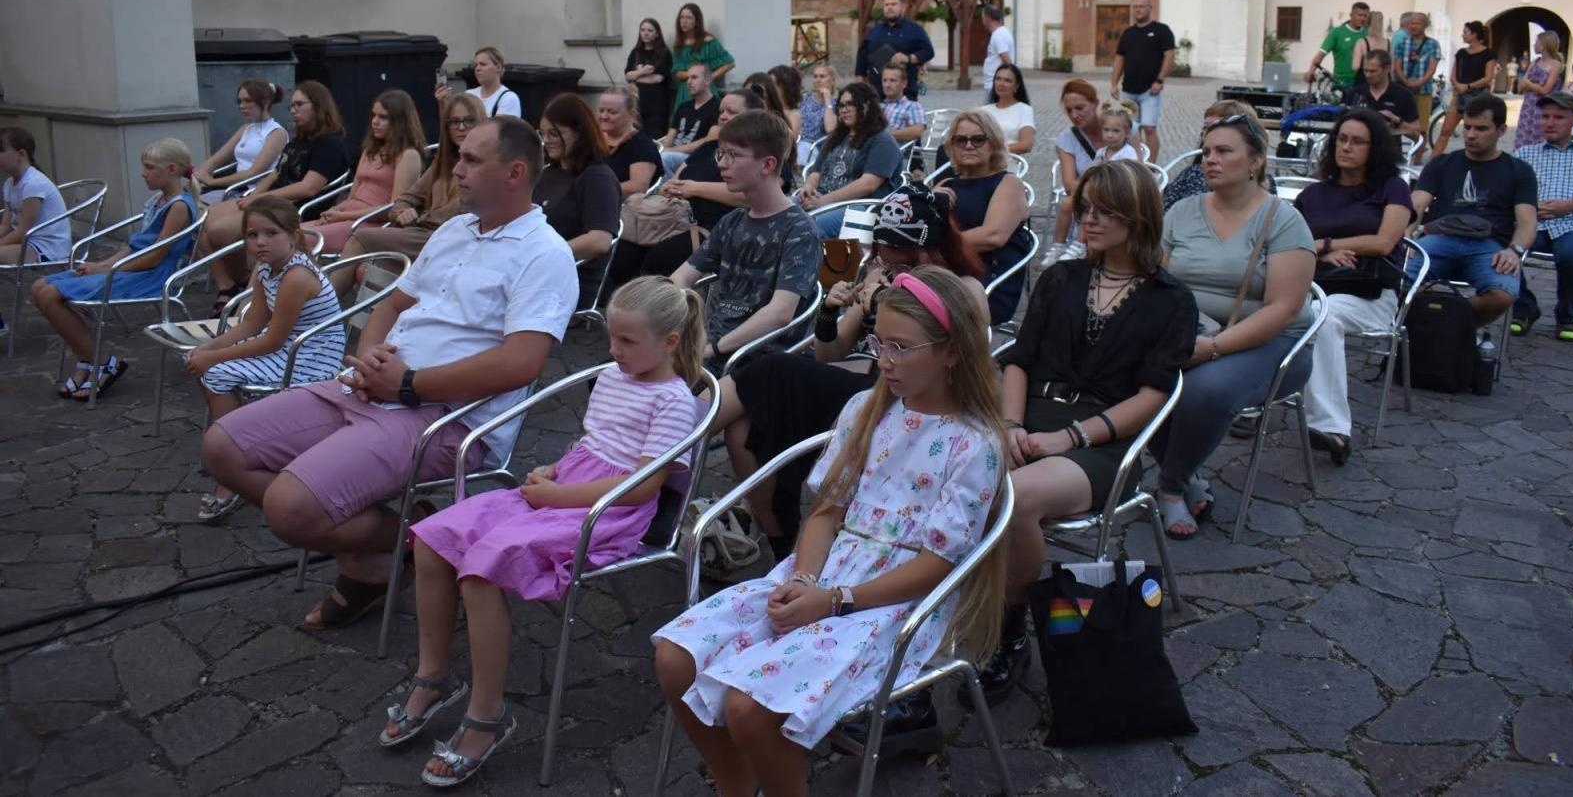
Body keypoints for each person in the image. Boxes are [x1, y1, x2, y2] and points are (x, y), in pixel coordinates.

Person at [200, 117, 579, 629]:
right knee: (223, 447)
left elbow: (521, 363)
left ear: (513, 172)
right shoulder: (454, 229)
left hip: (448, 419)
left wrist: (405, 384)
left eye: (470, 159)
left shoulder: (545, 253)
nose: (455, 168)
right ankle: (406, 538)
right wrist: (371, 356)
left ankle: (401, 547)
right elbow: (393, 303)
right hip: (373, 387)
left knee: (290, 510)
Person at [654, 267, 1007, 794]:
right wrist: (807, 580)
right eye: (878, 342)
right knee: (674, 657)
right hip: (826, 572)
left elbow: (938, 564)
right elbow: (824, 511)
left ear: (952, 352)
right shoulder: (866, 409)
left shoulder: (974, 444)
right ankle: (737, 783)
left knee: (748, 707)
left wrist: (835, 600)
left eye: (902, 347)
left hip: (900, 601)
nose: (884, 360)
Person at [383, 276, 705, 786]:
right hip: (571, 489)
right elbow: (593, 444)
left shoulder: (673, 401)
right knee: (432, 539)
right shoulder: (615, 377)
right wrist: (554, 470)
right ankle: (434, 675)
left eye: (627, 341)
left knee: (482, 568)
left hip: (608, 512)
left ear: (669, 343)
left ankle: (487, 716)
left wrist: (557, 495)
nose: (613, 351)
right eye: (612, 339)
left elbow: (642, 487)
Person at [981, 160, 1196, 702]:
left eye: (1104, 210)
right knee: (947, 470)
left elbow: (1151, 396)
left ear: (1138, 215)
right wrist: (1009, 423)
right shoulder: (1062, 278)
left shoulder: (1170, 299)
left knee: (1014, 496)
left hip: (1103, 443)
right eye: (1084, 208)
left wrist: (1071, 437)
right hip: (1027, 420)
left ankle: (1009, 631)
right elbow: (1019, 360)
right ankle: (946, 605)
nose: (1087, 219)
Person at [714, 186, 988, 557]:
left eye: (901, 256)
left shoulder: (964, 289)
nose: (888, 261)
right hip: (849, 382)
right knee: (742, 428)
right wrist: (830, 311)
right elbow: (830, 353)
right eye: (882, 250)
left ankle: (675, 443)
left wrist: (885, 300)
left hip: (902, 396)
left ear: (931, 250)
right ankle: (781, 538)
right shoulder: (881, 273)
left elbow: (968, 358)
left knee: (768, 368)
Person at [1155, 113, 1316, 539]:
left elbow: (1282, 308)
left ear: (1255, 162)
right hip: (1193, 329)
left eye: (1224, 151)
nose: (1210, 160)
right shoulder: (1182, 211)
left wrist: (1214, 347)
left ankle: (1169, 487)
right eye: (1207, 151)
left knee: (1206, 389)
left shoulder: (1282, 219)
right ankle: (1187, 474)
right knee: (1122, 369)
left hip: (1275, 344)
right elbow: (1158, 281)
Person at [186, 197, 344, 522]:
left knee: (214, 374)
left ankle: (230, 473)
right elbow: (251, 323)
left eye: (271, 233)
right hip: (286, 347)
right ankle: (240, 449)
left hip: (310, 357)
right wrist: (208, 349)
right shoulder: (265, 268)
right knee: (209, 369)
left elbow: (271, 339)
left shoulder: (297, 276)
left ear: (294, 236)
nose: (260, 242)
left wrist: (213, 358)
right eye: (252, 235)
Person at [32, 137, 200, 401]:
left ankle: (100, 362)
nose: (143, 173)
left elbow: (154, 257)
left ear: (173, 170)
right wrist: (102, 265)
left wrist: (107, 271)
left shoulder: (178, 206)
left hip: (150, 277)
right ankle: (87, 361)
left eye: (150, 167)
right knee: (39, 286)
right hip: (132, 268)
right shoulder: (159, 200)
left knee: (49, 294)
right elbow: (135, 247)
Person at [1294, 110, 1414, 464]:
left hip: (1372, 294)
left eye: (1357, 141)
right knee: (1273, 309)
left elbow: (1384, 242)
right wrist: (1325, 250)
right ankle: (1251, 407)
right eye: (1341, 139)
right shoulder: (1314, 193)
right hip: (1313, 286)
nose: (1346, 147)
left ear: (1374, 148)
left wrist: (1324, 243)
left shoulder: (1393, 188)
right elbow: (1292, 243)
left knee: (1321, 317)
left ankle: (1333, 429)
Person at [672, 110, 820, 370]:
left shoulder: (799, 229)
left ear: (767, 165)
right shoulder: (732, 221)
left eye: (733, 155)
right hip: (712, 348)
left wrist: (710, 349)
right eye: (721, 153)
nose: (721, 163)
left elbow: (780, 313)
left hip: (756, 359)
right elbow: (680, 278)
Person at [199, 80, 348, 310]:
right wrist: (254, 195)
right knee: (202, 219)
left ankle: (242, 286)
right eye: (291, 106)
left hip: (295, 209)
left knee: (218, 230)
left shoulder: (330, 144)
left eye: (299, 104)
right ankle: (229, 285)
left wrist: (261, 200)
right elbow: (276, 174)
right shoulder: (300, 139)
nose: (293, 110)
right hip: (271, 202)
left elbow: (307, 188)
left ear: (318, 106)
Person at [610, 90, 764, 285]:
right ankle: (615, 307)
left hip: (717, 225)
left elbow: (751, 196)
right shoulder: (709, 147)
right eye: (721, 111)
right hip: (675, 216)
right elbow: (678, 176)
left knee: (658, 257)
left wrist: (695, 188)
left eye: (731, 112)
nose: (723, 116)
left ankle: (656, 309)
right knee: (623, 247)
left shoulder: (760, 151)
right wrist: (670, 187)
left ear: (753, 115)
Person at [1409, 93, 1538, 325]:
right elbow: (1416, 204)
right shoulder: (1442, 163)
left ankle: (1449, 326)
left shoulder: (1519, 170)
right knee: (1396, 283)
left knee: (1502, 295)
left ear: (1501, 130)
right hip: (1440, 238)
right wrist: (1406, 234)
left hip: (1490, 246)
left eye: (1481, 128)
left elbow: (1527, 221)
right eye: (1467, 127)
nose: (1470, 135)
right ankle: (1432, 330)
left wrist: (1514, 250)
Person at [337, 93, 484, 281]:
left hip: (451, 239)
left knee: (360, 237)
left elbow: (464, 207)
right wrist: (402, 211)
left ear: (480, 123)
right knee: (366, 270)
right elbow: (406, 198)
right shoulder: (443, 161)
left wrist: (420, 217)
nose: (461, 128)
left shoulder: (484, 164)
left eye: (468, 121)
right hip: (422, 234)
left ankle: (325, 308)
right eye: (454, 122)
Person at [1511, 91, 1573, 341]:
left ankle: (1567, 315)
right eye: (1545, 116)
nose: (1549, 122)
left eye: (1558, 117)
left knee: (1572, 254)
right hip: (1533, 224)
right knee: (1500, 247)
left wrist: (1569, 206)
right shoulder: (1525, 154)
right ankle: (1525, 308)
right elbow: (1507, 191)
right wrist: (1527, 207)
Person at [935, 109, 1030, 324]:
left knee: (913, 306)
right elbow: (923, 229)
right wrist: (930, 200)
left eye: (978, 139)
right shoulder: (945, 186)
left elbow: (992, 236)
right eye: (961, 140)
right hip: (945, 275)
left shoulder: (1008, 183)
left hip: (987, 284)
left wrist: (936, 245)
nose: (969, 145)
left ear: (993, 143)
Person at [304, 90, 427, 254]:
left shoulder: (408, 155)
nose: (375, 122)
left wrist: (343, 216)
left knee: (299, 239)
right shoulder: (371, 149)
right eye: (373, 116)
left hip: (369, 224)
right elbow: (353, 195)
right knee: (288, 233)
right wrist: (336, 210)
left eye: (383, 117)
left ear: (400, 121)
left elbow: (394, 210)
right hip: (349, 216)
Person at [533, 93, 624, 305]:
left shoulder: (597, 177)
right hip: (537, 275)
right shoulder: (549, 173)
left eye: (554, 134)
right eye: (543, 134)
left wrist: (541, 255)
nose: (546, 141)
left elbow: (599, 241)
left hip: (565, 284)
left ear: (580, 132)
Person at [798, 81, 902, 237]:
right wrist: (808, 188)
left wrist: (823, 201)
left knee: (810, 225)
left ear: (866, 106)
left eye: (850, 104)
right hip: (823, 198)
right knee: (779, 211)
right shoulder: (837, 137)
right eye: (841, 105)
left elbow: (867, 185)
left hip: (859, 206)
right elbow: (815, 173)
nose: (844, 110)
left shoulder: (882, 140)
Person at [1163, 101, 1272, 211]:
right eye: (1205, 127)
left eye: (1223, 150)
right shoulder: (1192, 173)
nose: (1208, 133)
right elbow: (1163, 215)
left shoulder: (1262, 194)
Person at [1043, 80, 1108, 264]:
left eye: (1080, 107)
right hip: (1087, 202)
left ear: (1095, 103)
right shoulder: (1066, 139)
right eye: (1069, 110)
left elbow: (1139, 171)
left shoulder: (1122, 127)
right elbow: (1069, 185)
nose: (1075, 115)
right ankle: (1069, 249)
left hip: (1119, 200)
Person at [195, 78, 289, 204]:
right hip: (236, 188)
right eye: (239, 101)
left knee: (201, 209)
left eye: (248, 101)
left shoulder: (277, 133)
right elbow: (215, 160)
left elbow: (252, 174)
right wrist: (200, 175)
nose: (242, 106)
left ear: (265, 102)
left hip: (257, 193)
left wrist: (212, 181)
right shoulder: (245, 128)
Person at [1111, 0, 1176, 162]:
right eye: (1135, 7)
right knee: (1130, 130)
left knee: (1149, 128)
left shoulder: (1162, 30)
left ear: (1150, 8)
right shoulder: (1128, 33)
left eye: (1141, 6)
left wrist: (1160, 80)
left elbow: (1169, 56)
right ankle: (1135, 163)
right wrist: (1113, 83)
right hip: (1128, 90)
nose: (1138, 10)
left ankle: (1151, 167)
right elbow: (1119, 59)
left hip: (1150, 91)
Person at [0, 126, 68, 268]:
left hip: (46, 246)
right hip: (27, 241)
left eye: (1, 151)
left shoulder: (33, 184)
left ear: (21, 154)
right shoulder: (9, 183)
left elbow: (22, 231)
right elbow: (6, 225)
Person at [1432, 21, 1500, 160]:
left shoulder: (1488, 54)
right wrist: (1457, 84)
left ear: (1475, 35)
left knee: (1475, 131)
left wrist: (1468, 86)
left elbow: (1488, 77)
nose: (1463, 35)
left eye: (1466, 32)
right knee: (1445, 130)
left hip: (1478, 96)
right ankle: (1433, 162)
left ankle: (1477, 159)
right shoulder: (1461, 53)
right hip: (1459, 95)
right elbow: (1453, 73)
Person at [854, 0, 934, 101]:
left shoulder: (915, 30)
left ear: (903, 7)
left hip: (906, 93)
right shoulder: (874, 30)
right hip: (876, 94)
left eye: (893, 4)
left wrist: (908, 58)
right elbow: (862, 58)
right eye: (886, 5)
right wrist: (860, 85)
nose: (889, 7)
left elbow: (928, 51)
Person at [597, 84, 664, 197]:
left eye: (612, 112)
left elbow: (637, 188)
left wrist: (594, 189)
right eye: (601, 110)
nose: (604, 116)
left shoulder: (642, 146)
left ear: (631, 113)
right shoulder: (593, 139)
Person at [659, 62, 722, 177]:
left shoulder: (718, 107)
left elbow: (710, 140)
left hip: (696, 157)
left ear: (707, 80)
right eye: (688, 78)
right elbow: (670, 137)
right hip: (673, 153)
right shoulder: (683, 106)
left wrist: (671, 151)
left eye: (694, 77)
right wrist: (661, 149)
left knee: (664, 158)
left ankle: (665, 192)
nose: (688, 82)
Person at [671, 3, 735, 111]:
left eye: (689, 18)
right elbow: (677, 72)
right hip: (685, 91)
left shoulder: (709, 42)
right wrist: (694, 76)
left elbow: (730, 63)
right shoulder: (679, 45)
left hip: (705, 90)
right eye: (681, 17)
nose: (684, 21)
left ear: (697, 21)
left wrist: (710, 76)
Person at [1513, 30, 1567, 151]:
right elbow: (1521, 86)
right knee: (1524, 135)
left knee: (1540, 135)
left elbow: (1545, 90)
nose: (1534, 45)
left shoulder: (1555, 64)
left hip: (1543, 106)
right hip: (1528, 106)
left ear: (1544, 45)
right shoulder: (1534, 62)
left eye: (1537, 42)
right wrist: (1528, 84)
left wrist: (1529, 84)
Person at [1349, 50, 1421, 140]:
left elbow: (1417, 135)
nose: (1367, 75)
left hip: (1388, 150)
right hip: (1358, 149)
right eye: (1365, 70)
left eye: (1373, 71)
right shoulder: (1356, 92)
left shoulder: (1403, 95)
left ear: (1387, 69)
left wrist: (1397, 121)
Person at [1305, 2, 1371, 96]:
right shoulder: (1337, 32)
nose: (1362, 18)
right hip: (1340, 84)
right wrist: (1311, 72)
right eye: (1359, 15)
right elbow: (1321, 54)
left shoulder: (1368, 33)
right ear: (1351, 15)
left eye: (1365, 16)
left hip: (1363, 84)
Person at [625, 18, 676, 140]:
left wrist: (636, 75)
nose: (646, 33)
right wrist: (643, 71)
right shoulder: (636, 52)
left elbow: (658, 78)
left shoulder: (664, 53)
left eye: (650, 30)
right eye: (643, 30)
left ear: (657, 33)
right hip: (637, 102)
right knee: (636, 136)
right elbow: (627, 76)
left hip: (657, 104)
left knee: (655, 137)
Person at [1392, 13, 1442, 134]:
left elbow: (1432, 68)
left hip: (1424, 90)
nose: (1413, 26)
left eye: (1417, 23)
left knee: (1422, 128)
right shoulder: (1401, 44)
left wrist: (1420, 82)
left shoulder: (1433, 44)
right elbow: (1397, 67)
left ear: (1424, 25)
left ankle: (1418, 152)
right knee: (1398, 125)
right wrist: (1406, 82)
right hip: (1403, 90)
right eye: (1412, 23)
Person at [447, 46, 521, 120]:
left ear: (498, 67)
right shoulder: (469, 94)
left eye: (483, 64)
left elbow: (500, 130)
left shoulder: (508, 98)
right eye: (475, 65)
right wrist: (444, 102)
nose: (477, 69)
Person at [981, 65, 1035, 155]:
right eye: (998, 79)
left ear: (1016, 86)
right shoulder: (984, 111)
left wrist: (993, 150)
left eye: (1007, 80)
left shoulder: (1024, 110)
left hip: (1009, 164)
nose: (1001, 84)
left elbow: (1026, 144)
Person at [797, 64, 837, 167]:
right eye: (815, 76)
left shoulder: (836, 104)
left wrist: (827, 100)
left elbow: (830, 128)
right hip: (797, 144)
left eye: (822, 76)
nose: (818, 80)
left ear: (832, 80)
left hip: (817, 149)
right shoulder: (803, 99)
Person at [879, 64, 926, 145]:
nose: (887, 85)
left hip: (895, 154)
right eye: (885, 80)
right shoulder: (878, 106)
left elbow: (917, 131)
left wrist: (885, 135)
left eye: (892, 80)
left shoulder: (912, 106)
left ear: (904, 83)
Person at [981, 4, 1015, 96]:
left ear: (988, 18)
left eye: (983, 17)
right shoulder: (1001, 32)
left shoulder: (998, 35)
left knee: (991, 110)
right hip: (995, 84)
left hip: (995, 85)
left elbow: (1006, 60)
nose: (982, 21)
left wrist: (1003, 82)